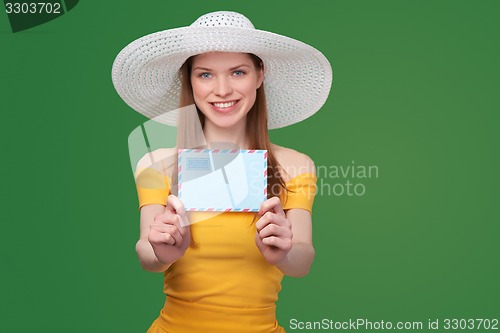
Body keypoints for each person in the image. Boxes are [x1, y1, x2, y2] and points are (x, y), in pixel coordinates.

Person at [112, 11, 332, 333]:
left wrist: (284, 251)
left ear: (259, 75)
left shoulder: (295, 165)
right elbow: (146, 255)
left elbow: (302, 262)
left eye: (238, 72)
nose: (223, 89)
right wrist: (161, 250)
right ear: (189, 80)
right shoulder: (155, 162)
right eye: (205, 75)